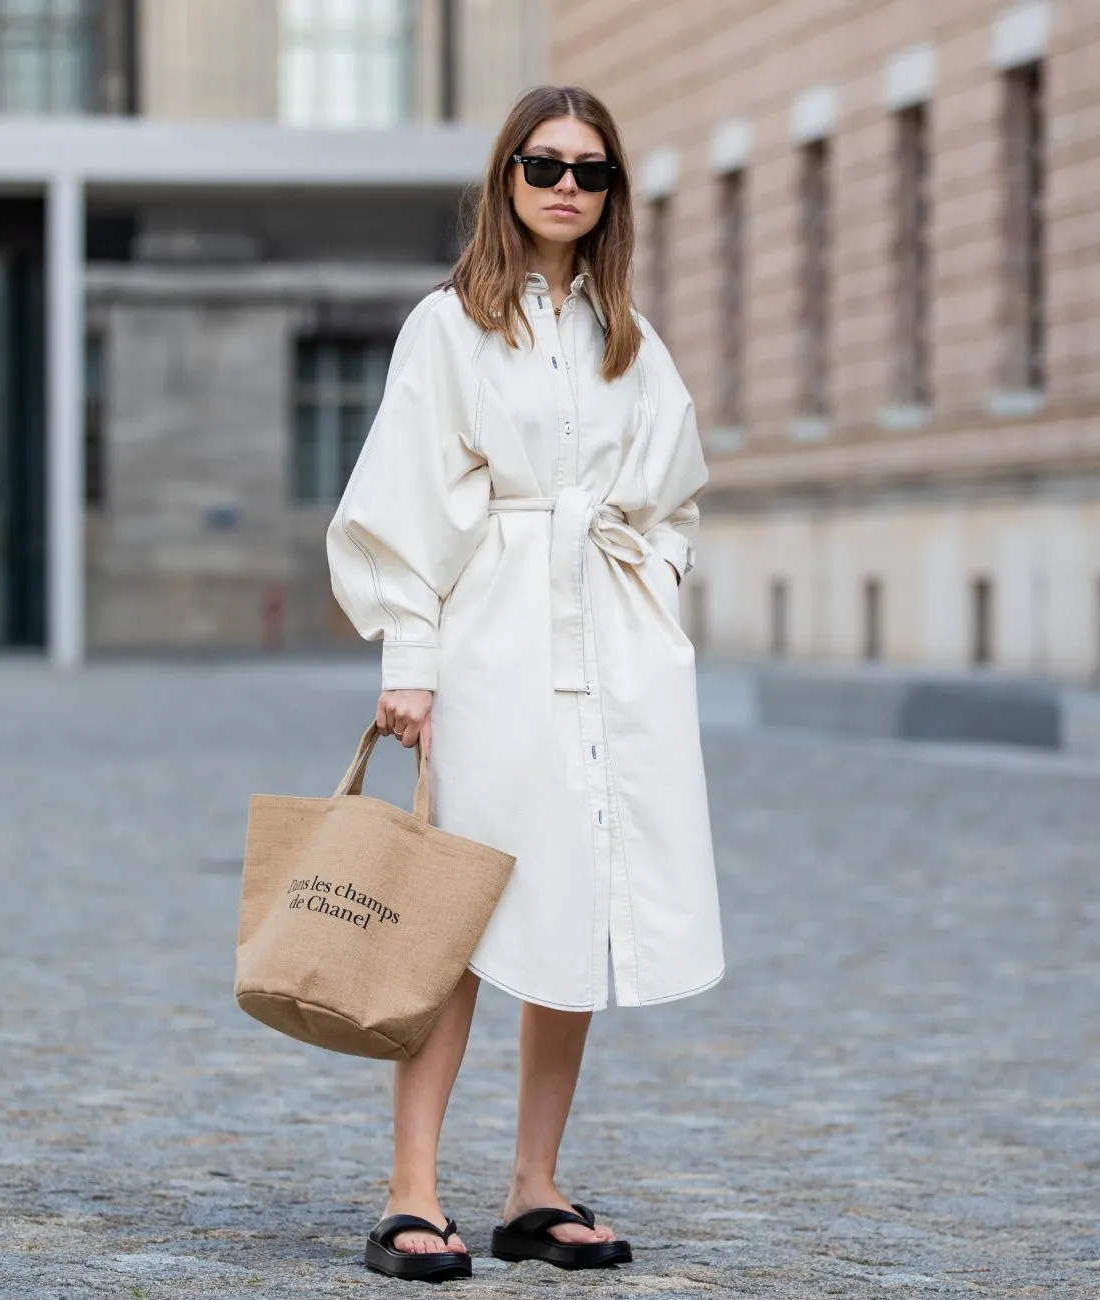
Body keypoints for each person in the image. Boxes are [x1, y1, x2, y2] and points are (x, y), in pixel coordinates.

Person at [328, 85, 721, 1282]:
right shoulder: (445, 328)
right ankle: (410, 1190)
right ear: (506, 176)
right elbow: (398, 497)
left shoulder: (629, 340)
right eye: (543, 163)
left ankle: (532, 1189)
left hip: (612, 655)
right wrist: (411, 662)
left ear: (611, 194)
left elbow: (677, 494)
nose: (565, 184)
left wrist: (650, 572)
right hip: (488, 642)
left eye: (590, 169)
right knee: (457, 908)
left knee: (580, 902)